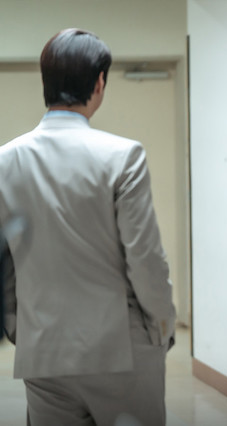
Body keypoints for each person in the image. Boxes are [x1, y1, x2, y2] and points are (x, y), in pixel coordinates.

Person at [0, 28, 176, 425]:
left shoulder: (5, 160)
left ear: (46, 83)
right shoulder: (122, 156)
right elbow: (145, 258)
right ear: (99, 83)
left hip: (43, 350)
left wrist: (19, 329)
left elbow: (4, 265)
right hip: (120, 346)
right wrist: (162, 325)